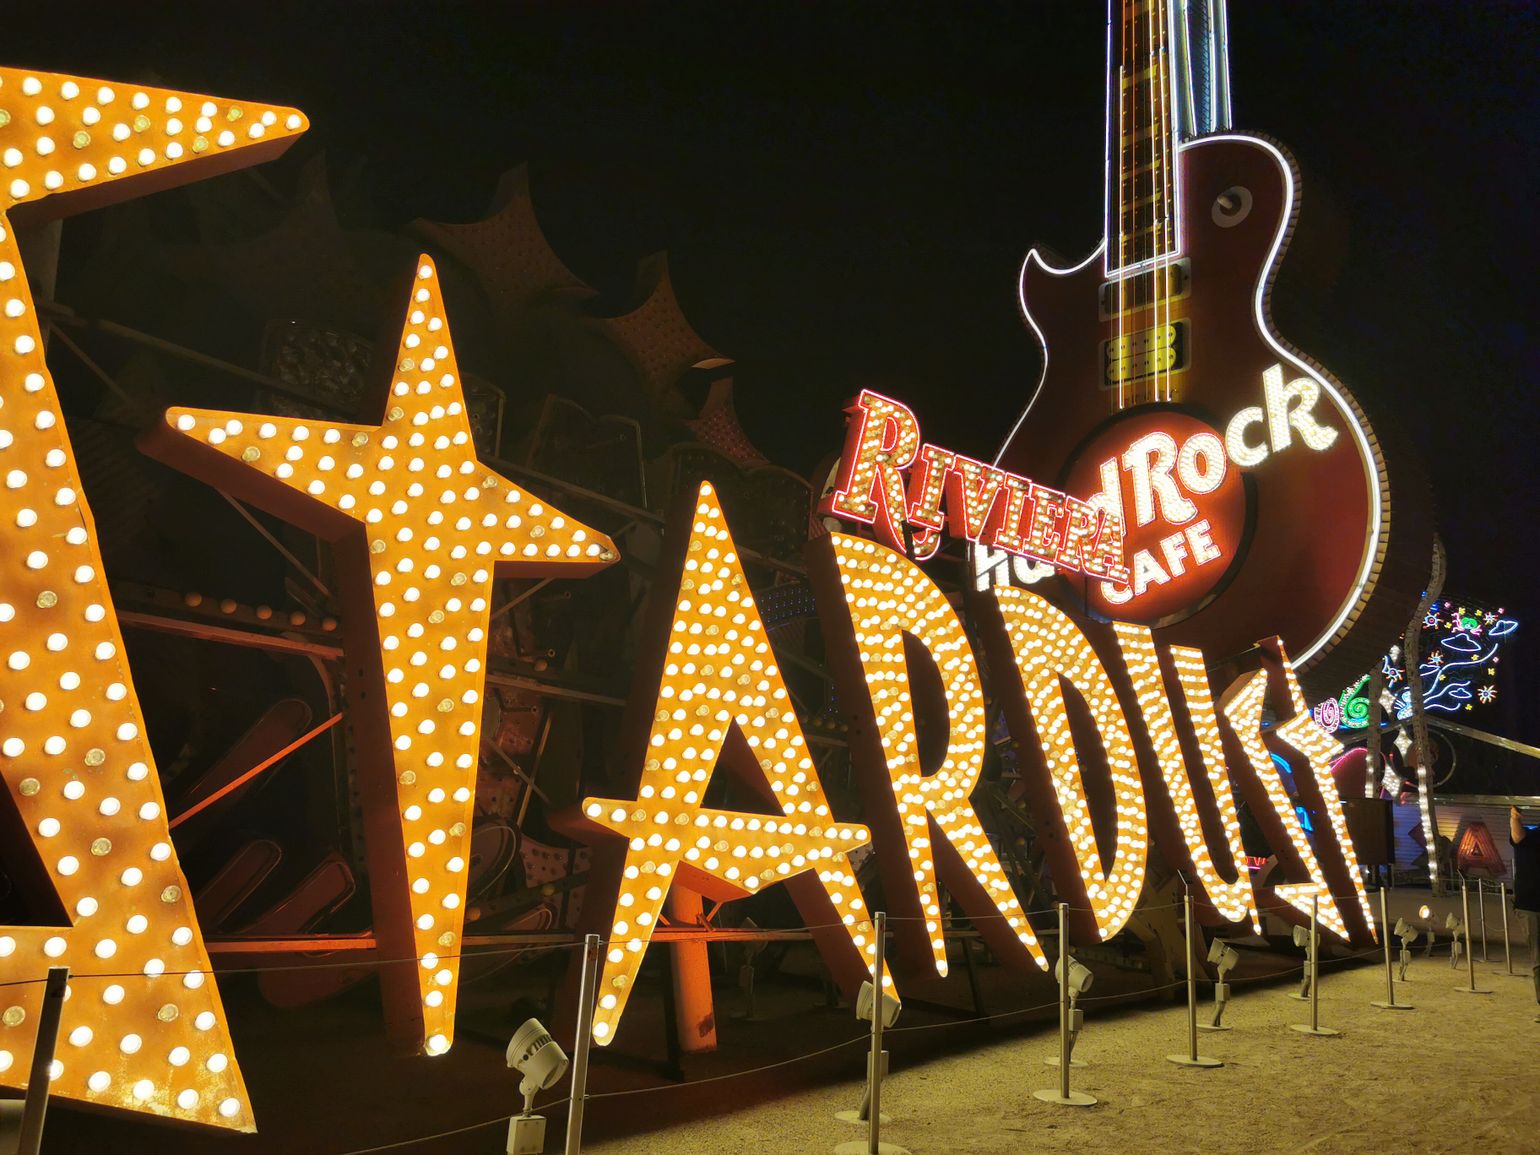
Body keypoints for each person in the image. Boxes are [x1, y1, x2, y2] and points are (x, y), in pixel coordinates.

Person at [1510, 806, 1540, 1003]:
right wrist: (1514, 818)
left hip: (1527, 903)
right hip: (1529, 904)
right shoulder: (1531, 834)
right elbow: (1517, 836)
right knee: (1538, 958)